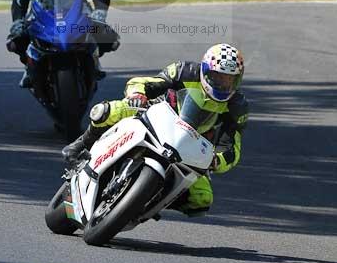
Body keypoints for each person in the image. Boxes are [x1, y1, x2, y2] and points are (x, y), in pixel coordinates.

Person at [62, 43, 248, 216]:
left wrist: (217, 160)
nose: (224, 84)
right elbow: (146, 82)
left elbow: (232, 148)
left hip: (190, 147)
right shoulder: (184, 71)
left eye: (230, 80)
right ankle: (81, 144)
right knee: (108, 111)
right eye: (219, 77)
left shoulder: (237, 107)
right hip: (155, 116)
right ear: (205, 71)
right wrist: (137, 94)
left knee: (202, 199)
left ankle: (151, 199)